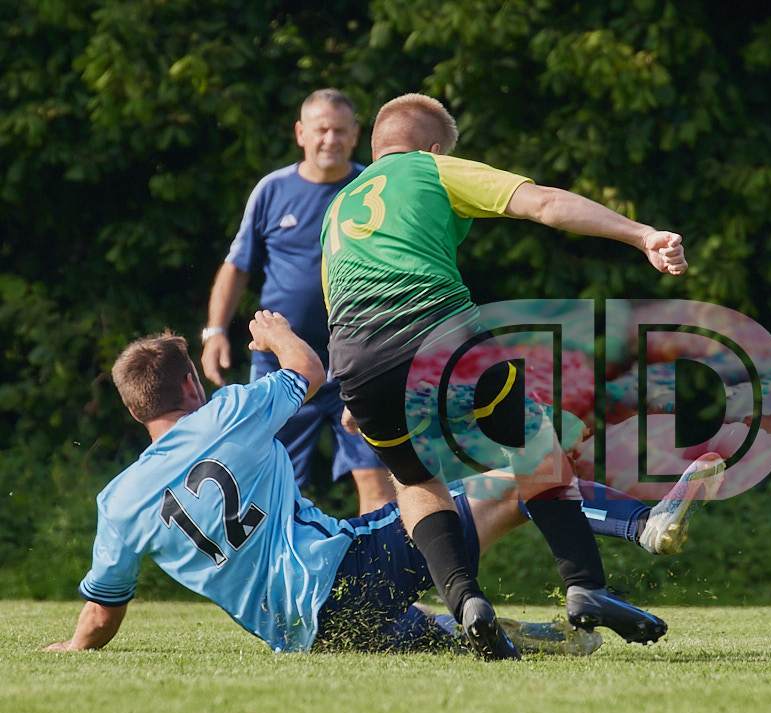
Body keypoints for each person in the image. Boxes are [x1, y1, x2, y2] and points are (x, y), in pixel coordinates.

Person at [43, 320, 722, 656]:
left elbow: (102, 612)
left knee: (440, 629)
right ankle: (642, 524)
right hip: (348, 572)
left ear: (134, 409)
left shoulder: (118, 502)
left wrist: (76, 648)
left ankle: (548, 638)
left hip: (309, 636)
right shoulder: (224, 413)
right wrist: (275, 333)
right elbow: (307, 369)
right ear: (192, 385)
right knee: (522, 476)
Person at [321, 93, 691, 659]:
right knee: (534, 447)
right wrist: (641, 234)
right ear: (433, 148)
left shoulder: (336, 209)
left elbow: (337, 309)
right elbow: (544, 203)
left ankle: (465, 600)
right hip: (439, 331)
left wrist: (356, 394)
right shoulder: (430, 168)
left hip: (356, 362)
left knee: (416, 482)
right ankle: (585, 586)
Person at [200, 88, 393, 516]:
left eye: (340, 131)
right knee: (269, 481)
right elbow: (237, 265)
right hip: (282, 364)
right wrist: (214, 332)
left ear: (355, 134)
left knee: (376, 481)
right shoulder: (272, 190)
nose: (330, 139)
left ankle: (381, 562)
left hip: (358, 359)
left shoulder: (374, 189)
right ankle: (282, 561)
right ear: (301, 133)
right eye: (321, 130)